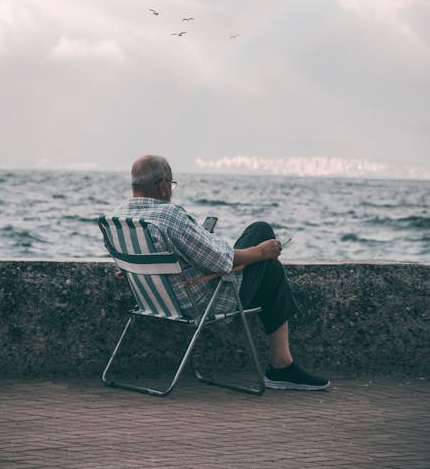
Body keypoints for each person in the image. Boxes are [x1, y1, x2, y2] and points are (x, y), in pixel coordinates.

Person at [113, 154, 330, 391]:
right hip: (202, 301)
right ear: (164, 187)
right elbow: (221, 261)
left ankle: (282, 367)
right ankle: (281, 366)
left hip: (155, 301)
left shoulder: (119, 218)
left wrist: (203, 240)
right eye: (171, 185)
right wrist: (260, 252)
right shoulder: (170, 216)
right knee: (261, 231)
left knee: (270, 268)